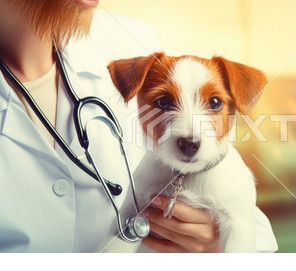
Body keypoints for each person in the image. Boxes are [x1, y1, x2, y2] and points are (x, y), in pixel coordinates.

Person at [0, 0, 278, 252]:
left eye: (215, 103)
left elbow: (246, 225)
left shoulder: (129, 38)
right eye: (166, 103)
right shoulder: (140, 64)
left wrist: (215, 244)